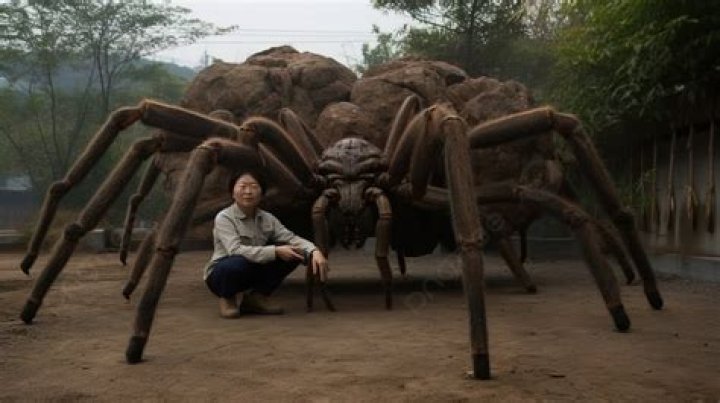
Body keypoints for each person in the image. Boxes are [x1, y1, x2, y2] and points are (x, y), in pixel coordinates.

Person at [204, 169, 329, 318]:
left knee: (295, 252)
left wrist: (314, 250)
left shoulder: (267, 218)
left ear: (262, 193)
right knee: (236, 263)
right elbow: (235, 250)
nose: (248, 192)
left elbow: (291, 238)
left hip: (251, 268)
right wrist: (275, 251)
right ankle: (228, 298)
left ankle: (256, 297)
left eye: (254, 187)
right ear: (232, 192)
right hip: (222, 274)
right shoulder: (224, 218)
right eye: (242, 186)